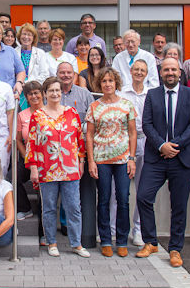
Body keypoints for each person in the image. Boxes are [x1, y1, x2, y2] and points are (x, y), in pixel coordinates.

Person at [136, 57, 190, 267]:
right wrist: (161, 145)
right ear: (161, 73)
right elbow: (146, 124)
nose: (170, 73)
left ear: (179, 72)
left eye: (173, 69)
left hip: (181, 158)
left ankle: (175, 249)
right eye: (166, 70)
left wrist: (173, 146)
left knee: (179, 205)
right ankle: (150, 241)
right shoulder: (152, 95)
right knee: (144, 196)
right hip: (156, 157)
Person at [26, 77, 89, 258]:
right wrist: (34, 168)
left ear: (62, 93)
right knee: (49, 208)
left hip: (70, 168)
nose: (55, 94)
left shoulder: (72, 112)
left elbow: (79, 140)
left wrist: (81, 162)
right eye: (51, 91)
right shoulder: (37, 116)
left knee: (73, 207)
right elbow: (33, 143)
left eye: (57, 90)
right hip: (47, 168)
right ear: (45, 94)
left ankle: (76, 244)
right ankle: (51, 242)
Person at [86, 68, 137, 257]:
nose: (108, 84)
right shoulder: (94, 107)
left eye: (111, 81)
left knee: (123, 199)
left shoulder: (126, 105)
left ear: (116, 83)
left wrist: (132, 158)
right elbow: (89, 135)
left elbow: (132, 132)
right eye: (104, 81)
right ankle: (106, 239)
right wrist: (91, 161)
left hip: (123, 159)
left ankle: (122, 240)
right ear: (100, 84)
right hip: (101, 159)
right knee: (104, 199)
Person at [118, 60, 150, 247]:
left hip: (146, 141)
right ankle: (115, 230)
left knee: (142, 189)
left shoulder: (151, 94)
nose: (139, 73)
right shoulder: (122, 94)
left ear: (146, 73)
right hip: (125, 141)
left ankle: (137, 229)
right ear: (130, 71)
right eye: (136, 69)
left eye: (142, 70)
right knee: (120, 190)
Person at [15, 81, 44, 225]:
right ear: (26, 97)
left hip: (47, 160)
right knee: (12, 178)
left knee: (45, 193)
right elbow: (19, 140)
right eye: (30, 94)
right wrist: (26, 156)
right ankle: (25, 208)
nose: (34, 96)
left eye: (36, 92)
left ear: (42, 94)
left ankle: (44, 230)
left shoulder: (49, 111)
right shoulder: (22, 115)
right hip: (29, 158)